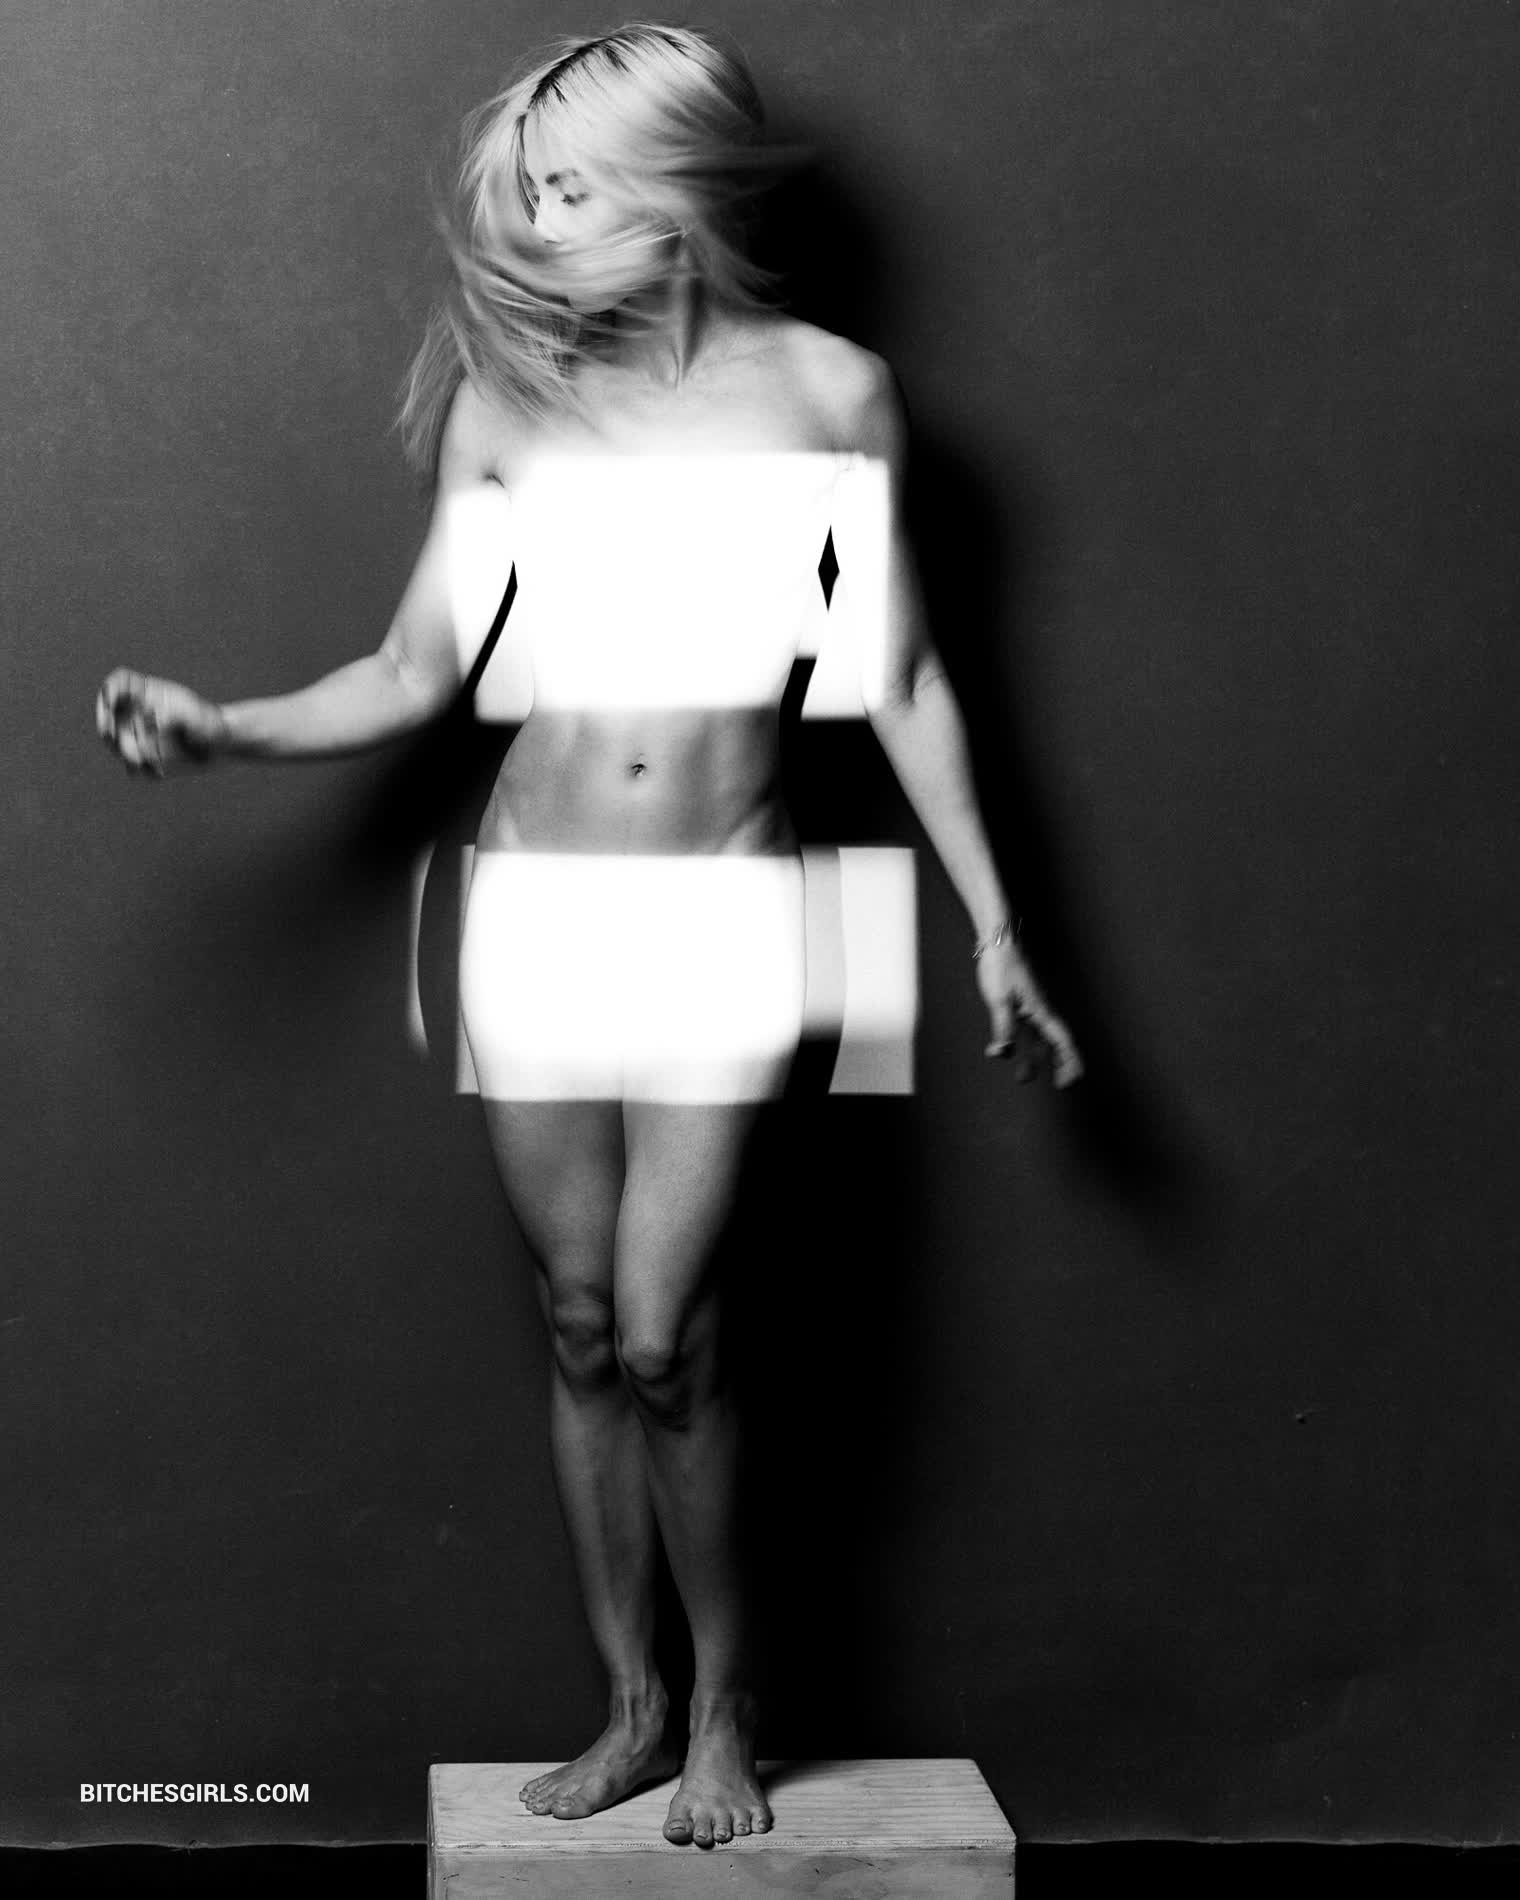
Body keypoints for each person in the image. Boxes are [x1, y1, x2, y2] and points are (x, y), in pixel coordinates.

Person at [95, 22, 1083, 1851]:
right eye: (530, 191)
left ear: (673, 184)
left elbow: (904, 676)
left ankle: (728, 1707)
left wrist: (998, 925)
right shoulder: (509, 403)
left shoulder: (833, 393)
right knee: (576, 1324)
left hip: (732, 908)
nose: (538, 222)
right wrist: (222, 727)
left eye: (571, 186)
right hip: (531, 902)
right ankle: (630, 1705)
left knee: (666, 1331)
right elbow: (414, 670)